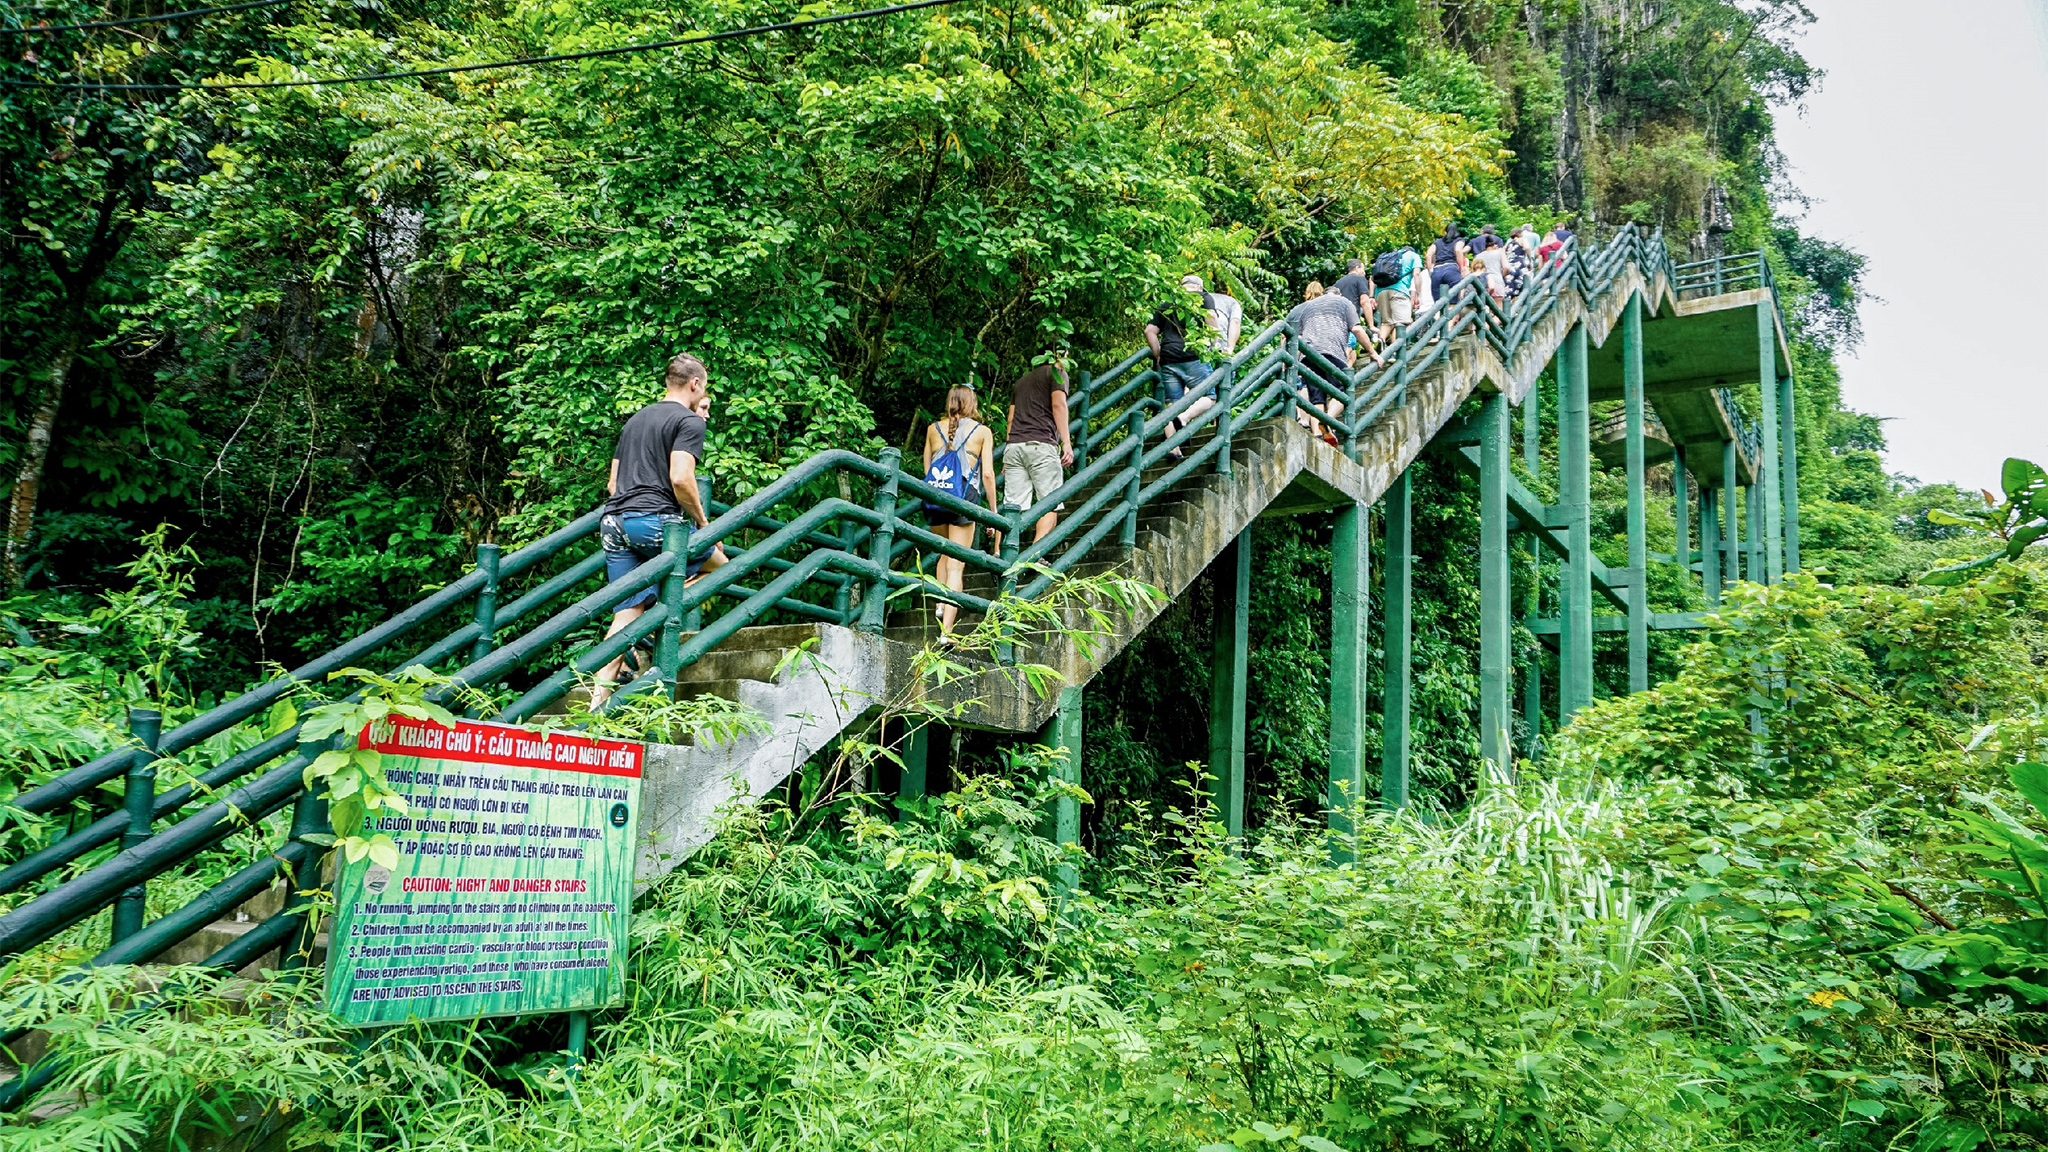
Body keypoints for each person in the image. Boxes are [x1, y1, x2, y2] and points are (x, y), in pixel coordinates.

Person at [591, 353, 716, 708]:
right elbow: (681, 478)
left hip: (613, 523)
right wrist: (703, 523)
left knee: (626, 614)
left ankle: (596, 703)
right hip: (652, 520)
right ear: (695, 384)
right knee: (723, 565)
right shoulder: (689, 421)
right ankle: (658, 612)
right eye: (703, 387)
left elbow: (613, 484)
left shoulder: (635, 420)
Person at [922, 385, 998, 640]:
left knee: (944, 552)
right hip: (964, 498)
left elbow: (927, 470)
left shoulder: (932, 429)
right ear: (971, 403)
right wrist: (993, 513)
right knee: (956, 566)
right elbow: (988, 475)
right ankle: (947, 632)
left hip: (935, 498)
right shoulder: (982, 432)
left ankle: (939, 603)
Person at [1002, 353, 1074, 545]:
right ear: (1060, 355)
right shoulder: (1057, 373)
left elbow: (1011, 419)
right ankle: (1034, 554)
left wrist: (1008, 450)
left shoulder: (1021, 382)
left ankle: (1003, 553)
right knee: (1050, 502)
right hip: (1041, 445)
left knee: (1012, 506)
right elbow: (1058, 405)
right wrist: (1066, 442)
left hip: (1014, 446)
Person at [1285, 281, 1370, 443]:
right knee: (1343, 391)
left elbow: (1298, 338)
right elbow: (1357, 329)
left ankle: (1318, 435)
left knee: (1316, 397)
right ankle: (1328, 419)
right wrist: (1372, 352)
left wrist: (1291, 361)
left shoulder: (1308, 307)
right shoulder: (1344, 302)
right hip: (1333, 352)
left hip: (1309, 355)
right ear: (1338, 295)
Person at [1146, 277, 1216, 449]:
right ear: (1200, 287)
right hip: (1193, 354)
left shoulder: (1168, 302)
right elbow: (1212, 318)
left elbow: (1149, 331)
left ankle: (1173, 449)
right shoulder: (1203, 297)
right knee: (1210, 396)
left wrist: (1158, 355)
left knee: (1172, 402)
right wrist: (1211, 344)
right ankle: (1183, 418)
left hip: (1168, 358)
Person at [1373, 244, 1423, 346]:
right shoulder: (1413, 255)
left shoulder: (1389, 256)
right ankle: (1395, 351)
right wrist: (1419, 295)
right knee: (1401, 323)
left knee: (1386, 322)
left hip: (1380, 291)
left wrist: (1371, 296)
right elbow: (1417, 274)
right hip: (1399, 291)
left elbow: (1372, 278)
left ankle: (1380, 342)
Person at [1330, 259, 1379, 335]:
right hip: (1351, 322)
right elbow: (1364, 302)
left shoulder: (1338, 282)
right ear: (1357, 268)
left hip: (1337, 322)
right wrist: (1371, 326)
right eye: (1363, 269)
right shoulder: (1360, 279)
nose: (1364, 272)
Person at [1427, 223, 1468, 307]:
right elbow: (1458, 250)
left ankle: (1439, 315)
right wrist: (1461, 268)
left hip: (1437, 270)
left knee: (1438, 304)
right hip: (1451, 269)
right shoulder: (1459, 240)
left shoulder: (1437, 242)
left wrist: (1430, 271)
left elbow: (1428, 255)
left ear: (1446, 231)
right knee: (1453, 302)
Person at [1472, 225, 1510, 302]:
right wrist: (1502, 275)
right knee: (1498, 306)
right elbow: (1506, 267)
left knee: (1484, 306)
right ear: (1494, 245)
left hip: (1482, 283)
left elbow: (1474, 271)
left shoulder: (1478, 256)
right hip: (1497, 281)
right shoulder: (1500, 252)